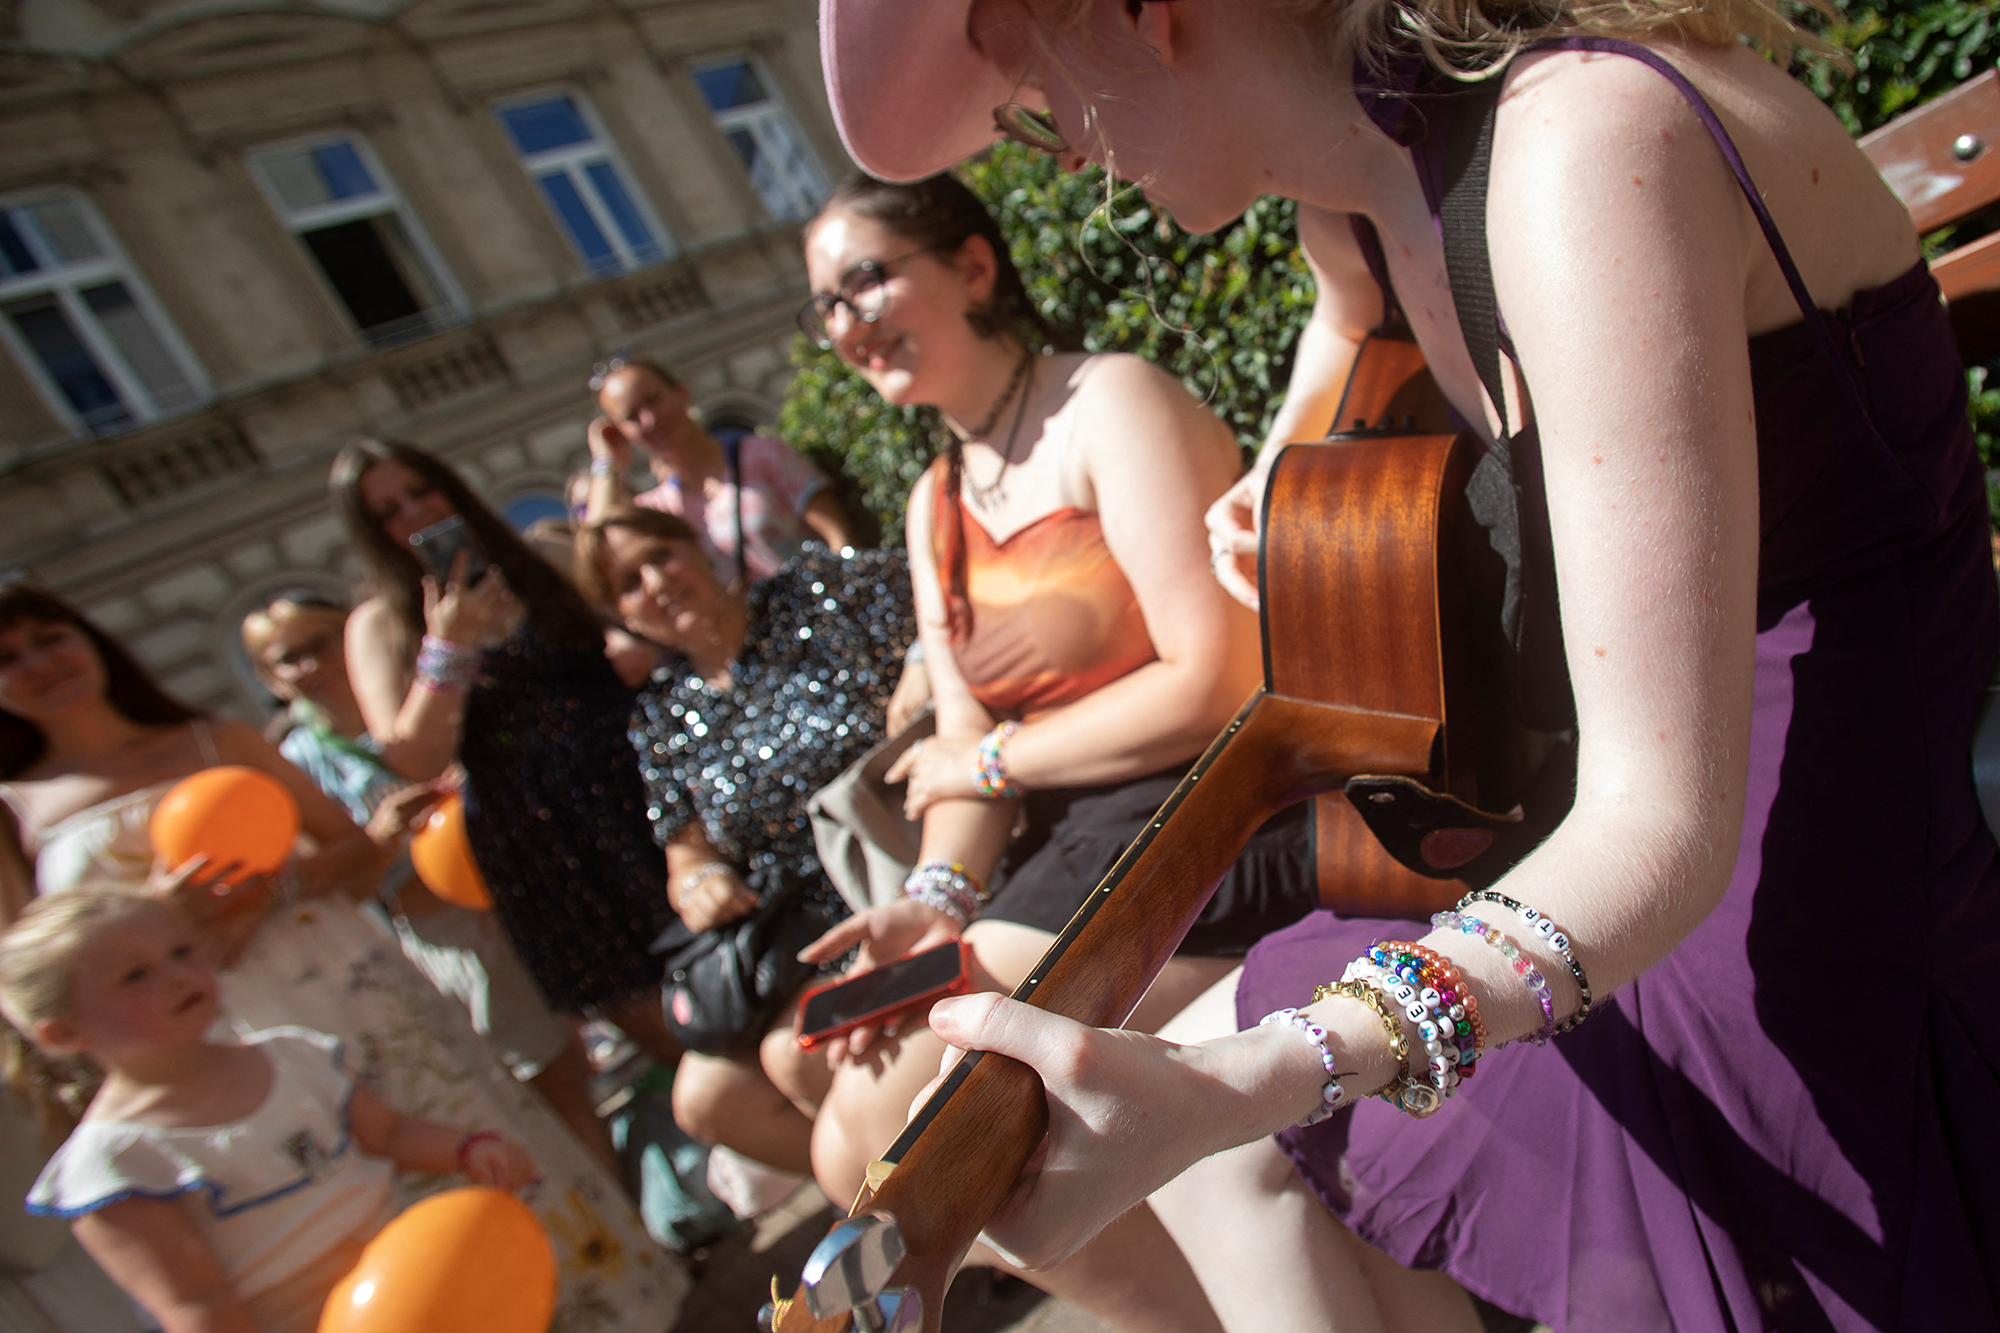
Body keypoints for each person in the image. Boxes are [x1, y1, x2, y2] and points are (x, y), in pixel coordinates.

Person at [815, 2, 2000, 1330]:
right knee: (1232, 1159)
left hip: (1831, 917)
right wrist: (1280, 463)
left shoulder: (1578, 152)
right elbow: (1341, 320)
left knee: (1239, 1137)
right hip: (1650, 847)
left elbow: (1663, 828)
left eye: (1037, 108)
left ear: (1141, 16)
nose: (1058, 158)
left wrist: (1259, 1075)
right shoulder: (1370, 185)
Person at [795, 171, 1319, 1329]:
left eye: (866, 279)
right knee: (831, 1100)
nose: (845, 322)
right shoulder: (937, 494)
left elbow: (1214, 678)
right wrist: (932, 893)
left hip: (1216, 806)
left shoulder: (1107, 402)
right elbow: (966, 733)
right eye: (825, 305)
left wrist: (984, 768)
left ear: (973, 267)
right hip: (1068, 837)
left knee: (901, 1116)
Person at [0, 583, 687, 1326]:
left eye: (51, 637)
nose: (40, 663)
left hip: (348, 994)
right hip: (211, 1045)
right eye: (8, 657)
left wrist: (270, 886)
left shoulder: (214, 738)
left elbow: (359, 857)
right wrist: (158, 924)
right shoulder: (13, 810)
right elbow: (27, 970)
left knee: (470, 1153)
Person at [4, 890, 537, 1333]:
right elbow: (196, 1307)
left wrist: (467, 1148)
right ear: (64, 1033)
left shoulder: (290, 1055)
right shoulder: (118, 1163)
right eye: (135, 976)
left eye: (182, 952)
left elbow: (389, 1132)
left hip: (427, 1299)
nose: (176, 976)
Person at [575, 505, 918, 1175]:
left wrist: (922, 667)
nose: (655, 582)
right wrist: (700, 883)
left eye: (660, 556)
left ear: (699, 547)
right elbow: (686, 849)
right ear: (621, 616)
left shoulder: (812, 593)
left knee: (798, 1051)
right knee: (705, 1101)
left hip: (902, 852)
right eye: (628, 582)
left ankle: (961, 1212)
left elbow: (940, 595)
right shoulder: (662, 714)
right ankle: (934, 1223)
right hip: (808, 920)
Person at [331, 438, 682, 1067]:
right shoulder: (380, 625)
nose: (413, 513)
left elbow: (634, 598)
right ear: (372, 533)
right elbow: (410, 757)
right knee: (660, 1022)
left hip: (646, 788)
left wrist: (626, 642)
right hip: (546, 842)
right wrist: (449, 646)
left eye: (420, 490)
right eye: (388, 510)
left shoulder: (539, 556)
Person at [239, 591, 612, 1175]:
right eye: (289, 657)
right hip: (450, 931)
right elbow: (337, 882)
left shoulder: (418, 703)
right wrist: (380, 837)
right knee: (550, 1080)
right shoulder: (298, 762)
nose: (312, 664)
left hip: (538, 886)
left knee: (605, 1047)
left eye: (322, 642)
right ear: (271, 677)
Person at [584, 356, 854, 582]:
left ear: (681, 393)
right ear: (620, 433)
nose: (650, 420)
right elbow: (597, 549)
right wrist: (606, 461)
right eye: (631, 417)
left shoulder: (761, 454)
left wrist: (847, 592)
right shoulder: (658, 511)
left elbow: (837, 532)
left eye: (654, 399)